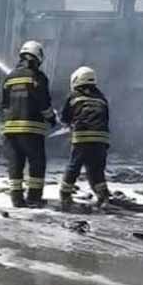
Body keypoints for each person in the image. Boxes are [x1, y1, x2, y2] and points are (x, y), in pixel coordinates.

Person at [0, 40, 57, 208]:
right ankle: (34, 197)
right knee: (37, 163)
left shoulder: (9, 77)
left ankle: (16, 198)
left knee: (15, 164)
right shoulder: (38, 77)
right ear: (38, 57)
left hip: (10, 130)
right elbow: (44, 103)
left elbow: (4, 104)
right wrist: (52, 118)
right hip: (31, 129)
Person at [60, 66, 111, 210]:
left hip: (82, 137)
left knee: (74, 167)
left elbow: (65, 118)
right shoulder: (101, 97)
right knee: (97, 169)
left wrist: (68, 123)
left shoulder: (73, 96)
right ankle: (103, 197)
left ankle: (65, 195)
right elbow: (105, 118)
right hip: (101, 140)